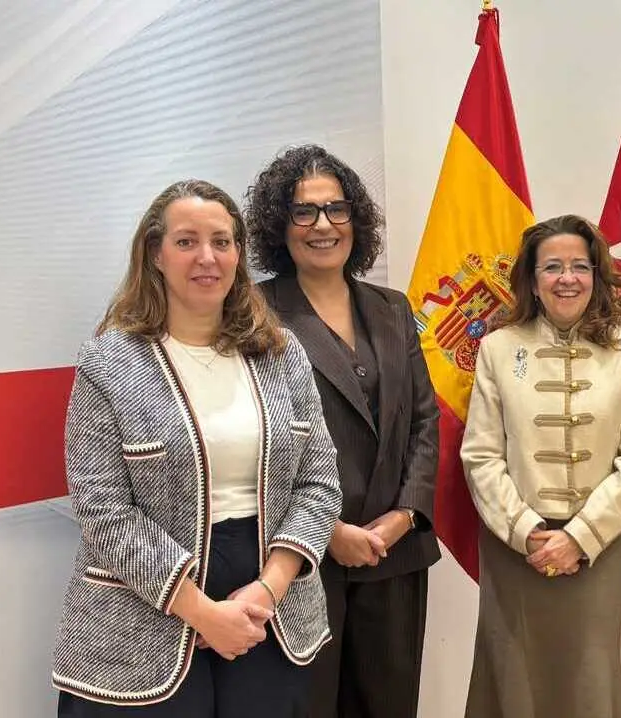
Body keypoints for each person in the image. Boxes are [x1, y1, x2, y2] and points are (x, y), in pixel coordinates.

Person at [51, 180, 343, 716]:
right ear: (155, 255)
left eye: (222, 241)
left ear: (238, 255)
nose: (207, 257)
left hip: (267, 608)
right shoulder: (109, 363)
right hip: (142, 616)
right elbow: (102, 511)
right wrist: (201, 612)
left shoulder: (282, 352)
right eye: (186, 242)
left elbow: (319, 484)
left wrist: (268, 589)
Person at [246, 145, 440, 718]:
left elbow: (424, 421)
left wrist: (405, 515)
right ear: (279, 228)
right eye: (304, 212)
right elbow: (254, 442)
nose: (323, 225)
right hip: (301, 560)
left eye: (336, 208)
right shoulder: (253, 314)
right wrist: (327, 532)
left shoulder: (392, 307)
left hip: (394, 554)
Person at [459, 214, 621, 718]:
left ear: (597, 275)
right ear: (531, 278)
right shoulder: (498, 348)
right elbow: (481, 456)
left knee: (590, 677)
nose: (566, 278)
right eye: (552, 267)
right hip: (514, 549)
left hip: (602, 548)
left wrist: (581, 538)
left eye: (579, 266)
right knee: (514, 677)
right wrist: (527, 531)